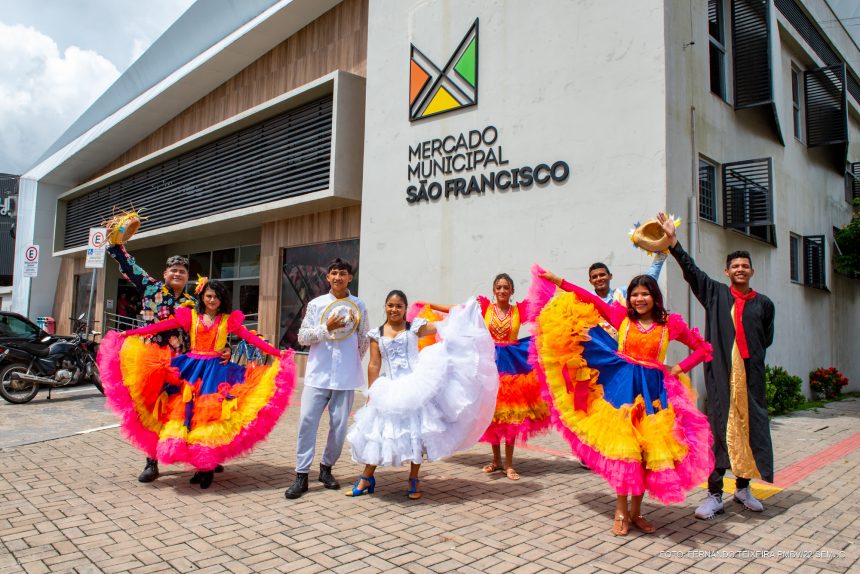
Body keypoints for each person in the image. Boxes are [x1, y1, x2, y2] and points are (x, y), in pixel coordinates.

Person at [533, 267, 713, 536]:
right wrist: (559, 281)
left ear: (655, 297)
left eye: (645, 294)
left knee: (645, 452)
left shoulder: (670, 323)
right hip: (622, 390)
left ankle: (637, 512)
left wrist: (680, 368)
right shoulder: (621, 317)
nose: (639, 299)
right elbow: (589, 299)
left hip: (654, 394)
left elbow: (703, 349)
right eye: (634, 295)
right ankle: (620, 511)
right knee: (625, 450)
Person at [97, 279, 296, 489]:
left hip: (216, 373)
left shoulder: (229, 321)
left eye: (217, 297)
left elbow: (252, 339)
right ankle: (197, 465)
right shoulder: (191, 316)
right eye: (209, 296)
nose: (212, 300)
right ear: (202, 297)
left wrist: (277, 353)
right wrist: (128, 333)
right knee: (188, 417)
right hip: (190, 371)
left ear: (222, 300)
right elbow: (161, 326)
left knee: (210, 419)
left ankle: (206, 468)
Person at [657, 212, 775, 519]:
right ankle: (714, 494)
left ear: (752, 271)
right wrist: (673, 242)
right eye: (734, 266)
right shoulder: (716, 294)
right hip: (721, 375)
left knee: (750, 430)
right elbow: (692, 272)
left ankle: (744, 487)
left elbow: (766, 338)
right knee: (719, 431)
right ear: (726, 271)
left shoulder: (764, 304)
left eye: (744, 266)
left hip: (751, 377)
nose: (739, 269)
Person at [345, 291, 497, 499]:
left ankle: (414, 478)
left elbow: (452, 320)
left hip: (416, 386)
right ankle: (367, 477)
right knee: (380, 433)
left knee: (417, 434)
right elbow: (374, 364)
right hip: (388, 388)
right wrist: (372, 392)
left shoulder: (414, 328)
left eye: (399, 306)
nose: (394, 309)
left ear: (405, 309)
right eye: (390, 305)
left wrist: (466, 306)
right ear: (385, 306)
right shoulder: (376, 334)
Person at [106, 242, 220, 483]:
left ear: (188, 277)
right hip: (152, 361)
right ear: (165, 273)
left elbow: (206, 328)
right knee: (152, 410)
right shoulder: (150, 288)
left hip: (183, 363)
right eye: (173, 270)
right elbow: (130, 266)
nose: (177, 274)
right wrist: (116, 246)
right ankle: (151, 461)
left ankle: (198, 457)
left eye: (182, 271)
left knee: (185, 409)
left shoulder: (193, 301)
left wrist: (223, 348)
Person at [424, 273, 550, 481]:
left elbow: (543, 303)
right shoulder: (483, 307)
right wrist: (432, 305)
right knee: (492, 413)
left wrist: (552, 283)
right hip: (489, 362)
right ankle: (496, 460)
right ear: (494, 290)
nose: (502, 291)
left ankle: (509, 464)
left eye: (506, 287)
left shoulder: (519, 310)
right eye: (498, 287)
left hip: (512, 365)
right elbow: (459, 311)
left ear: (512, 291)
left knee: (510, 416)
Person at [285, 258, 369, 499]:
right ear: (327, 277)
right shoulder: (316, 304)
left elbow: (362, 340)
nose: (338, 277)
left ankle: (326, 468)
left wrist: (350, 360)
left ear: (350, 278)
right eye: (334, 273)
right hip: (317, 374)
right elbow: (302, 337)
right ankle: (301, 474)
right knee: (307, 423)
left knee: (340, 426)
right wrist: (327, 328)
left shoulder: (359, 305)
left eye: (343, 273)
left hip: (346, 377)